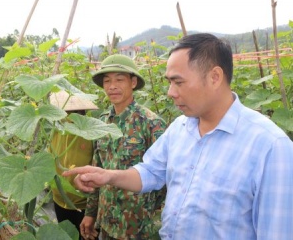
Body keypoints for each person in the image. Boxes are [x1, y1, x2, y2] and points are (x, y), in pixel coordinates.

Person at [64, 33, 293, 239]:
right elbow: (151, 171)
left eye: (178, 82)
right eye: (169, 82)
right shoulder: (180, 128)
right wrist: (108, 176)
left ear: (214, 77)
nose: (171, 92)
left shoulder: (270, 147)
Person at [80, 54, 167, 239]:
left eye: (119, 80)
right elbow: (98, 169)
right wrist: (90, 213)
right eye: (107, 81)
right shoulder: (102, 123)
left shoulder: (151, 123)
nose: (112, 86)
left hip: (137, 226)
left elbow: (164, 177)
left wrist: (148, 208)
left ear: (133, 82)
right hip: (106, 221)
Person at [49, 90, 100, 240]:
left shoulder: (91, 133)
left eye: (73, 112)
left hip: (83, 203)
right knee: (67, 235)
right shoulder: (55, 130)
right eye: (64, 112)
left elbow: (98, 171)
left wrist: (92, 209)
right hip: (59, 199)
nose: (68, 117)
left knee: (87, 236)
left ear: (82, 112)